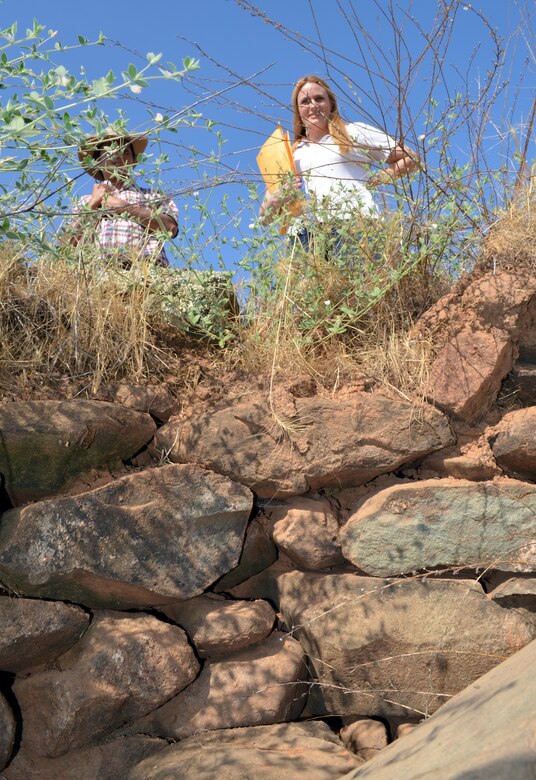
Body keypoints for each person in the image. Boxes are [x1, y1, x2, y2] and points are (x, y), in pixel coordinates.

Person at [259, 75, 418, 252]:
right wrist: (278, 197)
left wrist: (378, 179)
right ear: (298, 111)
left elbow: (410, 158)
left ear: (331, 104)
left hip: (355, 228)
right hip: (305, 239)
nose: (313, 105)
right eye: (305, 101)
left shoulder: (353, 132)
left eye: (319, 98)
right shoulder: (290, 154)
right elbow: (265, 218)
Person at [63, 128, 178, 267]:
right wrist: (92, 204)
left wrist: (122, 206)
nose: (117, 155)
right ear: (98, 161)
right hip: (101, 275)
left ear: (133, 160)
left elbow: (170, 228)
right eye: (109, 151)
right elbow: (65, 246)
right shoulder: (84, 201)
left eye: (125, 151)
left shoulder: (153, 196)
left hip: (148, 272)